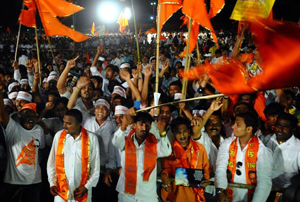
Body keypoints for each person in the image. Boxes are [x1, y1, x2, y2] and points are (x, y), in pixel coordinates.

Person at [0, 76, 45, 202]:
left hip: (35, 182)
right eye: (26, 115)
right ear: (19, 116)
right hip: (13, 182)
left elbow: (41, 149)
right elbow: (2, 114)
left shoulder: (39, 130)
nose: (29, 119)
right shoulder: (13, 128)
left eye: (32, 115)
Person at [112, 112, 172, 202]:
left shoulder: (155, 143)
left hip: (147, 195)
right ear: (134, 125)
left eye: (147, 125)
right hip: (126, 195)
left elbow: (167, 151)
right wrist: (124, 125)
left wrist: (162, 133)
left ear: (151, 127)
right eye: (141, 124)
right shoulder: (126, 141)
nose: (144, 128)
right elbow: (116, 141)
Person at [215, 112, 272, 202]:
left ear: (249, 129)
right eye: (234, 124)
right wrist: (220, 190)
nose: (233, 127)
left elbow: (264, 182)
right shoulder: (227, 143)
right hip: (228, 195)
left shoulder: (262, 150)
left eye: (238, 125)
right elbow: (220, 168)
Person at [47, 109, 100, 202]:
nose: (64, 126)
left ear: (79, 124)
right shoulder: (58, 136)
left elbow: (95, 167)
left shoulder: (91, 138)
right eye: (64, 122)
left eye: (68, 123)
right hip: (61, 192)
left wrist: (87, 186)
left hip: (82, 192)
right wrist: (52, 183)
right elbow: (51, 163)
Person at [160, 117, 210, 202]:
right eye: (178, 132)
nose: (182, 136)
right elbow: (166, 169)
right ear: (173, 133)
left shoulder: (199, 149)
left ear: (189, 131)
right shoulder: (168, 150)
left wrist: (205, 179)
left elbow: (206, 170)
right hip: (176, 197)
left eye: (185, 131)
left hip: (196, 197)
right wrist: (164, 175)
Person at [260, 113, 300, 202]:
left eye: (285, 127)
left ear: (293, 129)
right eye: (278, 125)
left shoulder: (298, 147)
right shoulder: (265, 140)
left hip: (284, 194)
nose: (280, 130)